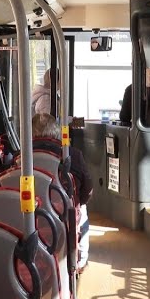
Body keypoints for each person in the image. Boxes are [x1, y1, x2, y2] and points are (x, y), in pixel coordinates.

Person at [31, 113, 93, 272]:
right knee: (81, 210)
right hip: (64, 212)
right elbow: (87, 188)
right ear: (57, 132)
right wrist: (80, 201)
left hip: (32, 213)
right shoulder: (73, 155)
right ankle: (80, 262)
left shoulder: (22, 157)